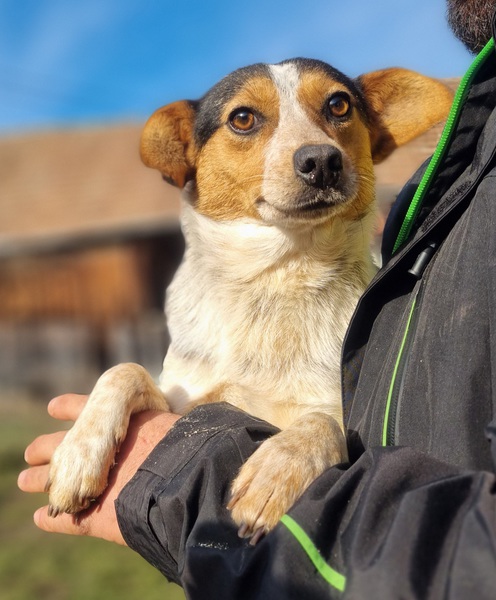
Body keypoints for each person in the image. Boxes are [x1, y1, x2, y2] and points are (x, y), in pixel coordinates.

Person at [18, 1, 496, 597]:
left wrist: (318, 435)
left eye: (336, 110)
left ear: (370, 136)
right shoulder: (194, 320)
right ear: (188, 155)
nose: (315, 149)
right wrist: (119, 390)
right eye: (245, 120)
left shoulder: (379, 317)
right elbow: (171, 404)